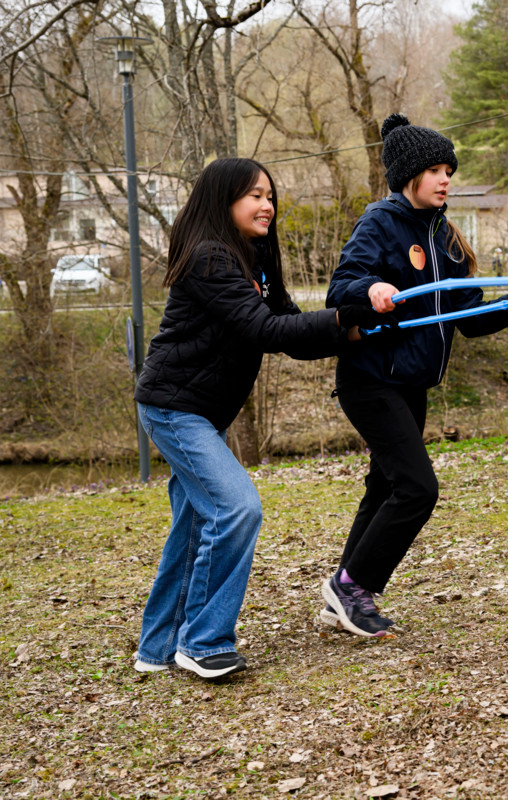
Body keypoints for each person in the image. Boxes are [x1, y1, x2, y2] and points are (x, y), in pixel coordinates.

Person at [133, 157, 381, 680]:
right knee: (237, 509)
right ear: (224, 201)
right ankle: (202, 642)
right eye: (254, 195)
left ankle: (156, 648)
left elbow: (288, 326)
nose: (267, 205)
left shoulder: (256, 258)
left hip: (204, 411)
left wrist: (351, 330)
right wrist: (342, 317)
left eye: (270, 195)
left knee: (195, 525)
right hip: (175, 407)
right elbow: (263, 330)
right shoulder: (209, 258)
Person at [320, 113, 508, 637]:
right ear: (408, 176)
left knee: (385, 485)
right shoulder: (380, 222)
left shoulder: (446, 237)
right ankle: (355, 588)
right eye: (435, 170)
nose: (446, 179)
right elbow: (342, 286)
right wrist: (371, 290)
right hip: (371, 378)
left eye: (449, 169)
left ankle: (343, 592)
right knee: (418, 489)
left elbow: (464, 317)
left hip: (412, 382)